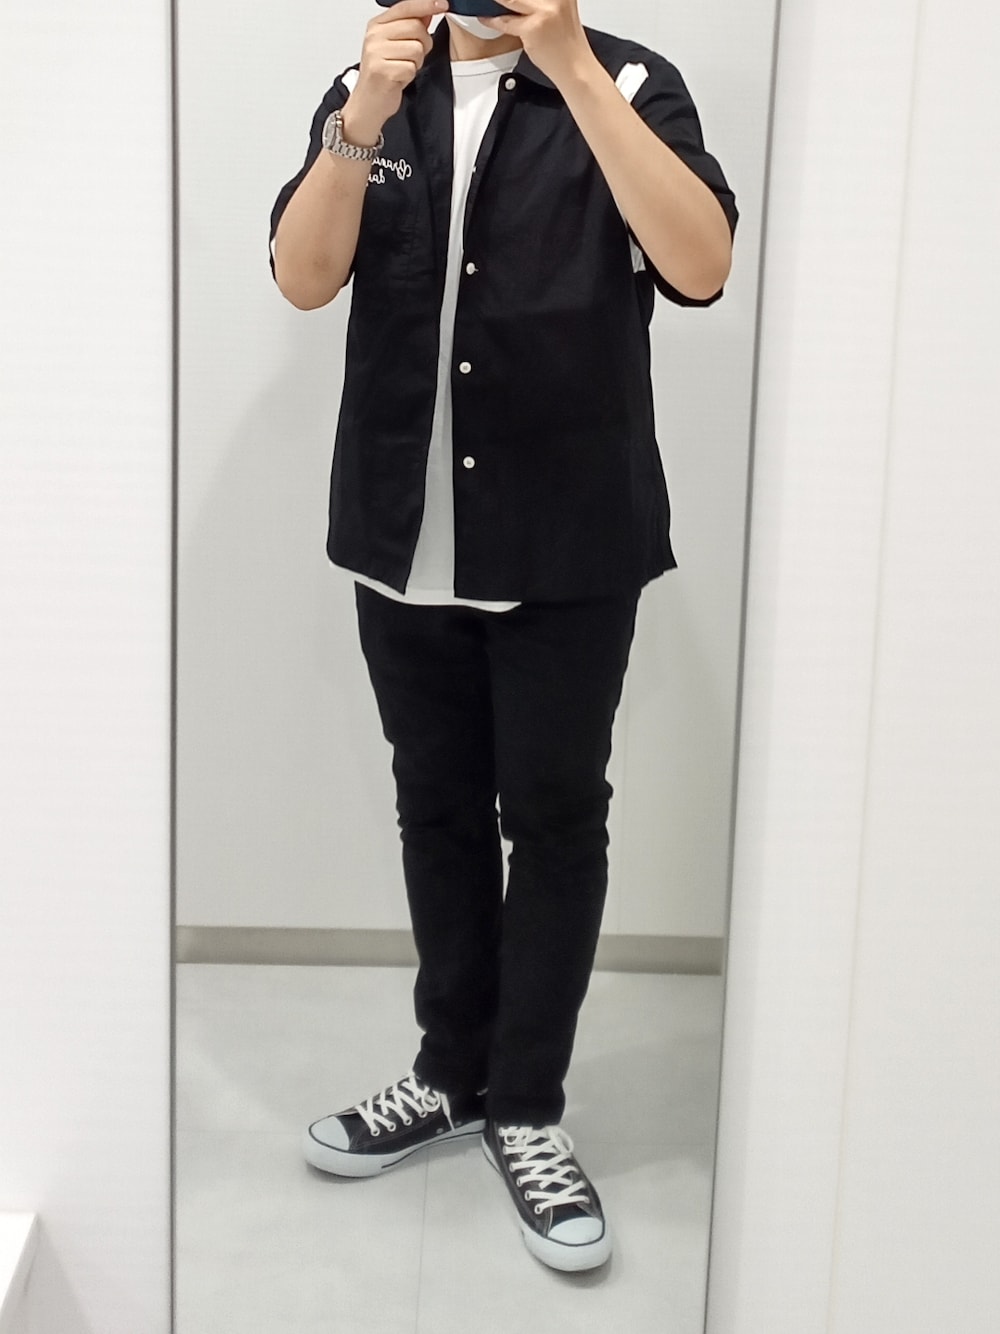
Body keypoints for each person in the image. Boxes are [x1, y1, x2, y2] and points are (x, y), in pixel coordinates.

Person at [268, 0, 737, 1273]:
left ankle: (525, 1103)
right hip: (401, 532)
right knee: (434, 807)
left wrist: (569, 64)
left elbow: (700, 264)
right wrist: (361, 116)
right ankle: (448, 1072)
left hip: (567, 539)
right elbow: (303, 276)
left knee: (554, 815)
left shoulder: (628, 80)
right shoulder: (376, 87)